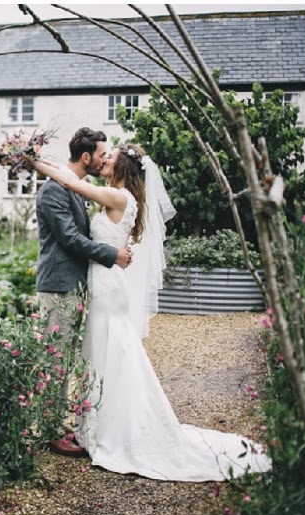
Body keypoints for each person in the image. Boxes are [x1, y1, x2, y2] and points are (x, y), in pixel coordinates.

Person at [31, 144, 271, 481]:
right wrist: (36, 157)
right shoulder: (114, 195)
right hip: (103, 283)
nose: (104, 159)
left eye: (109, 157)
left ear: (123, 167)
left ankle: (113, 431)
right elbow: (75, 188)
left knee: (111, 354)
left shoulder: (119, 198)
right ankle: (97, 427)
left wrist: (32, 159)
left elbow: (72, 183)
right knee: (101, 355)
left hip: (107, 288)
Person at [34, 127, 132, 457]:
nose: (105, 159)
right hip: (59, 285)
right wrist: (112, 255)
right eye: (102, 154)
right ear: (87, 157)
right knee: (55, 359)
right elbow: (70, 239)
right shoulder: (53, 192)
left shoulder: (74, 188)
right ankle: (50, 431)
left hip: (76, 286)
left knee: (65, 358)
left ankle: (59, 422)